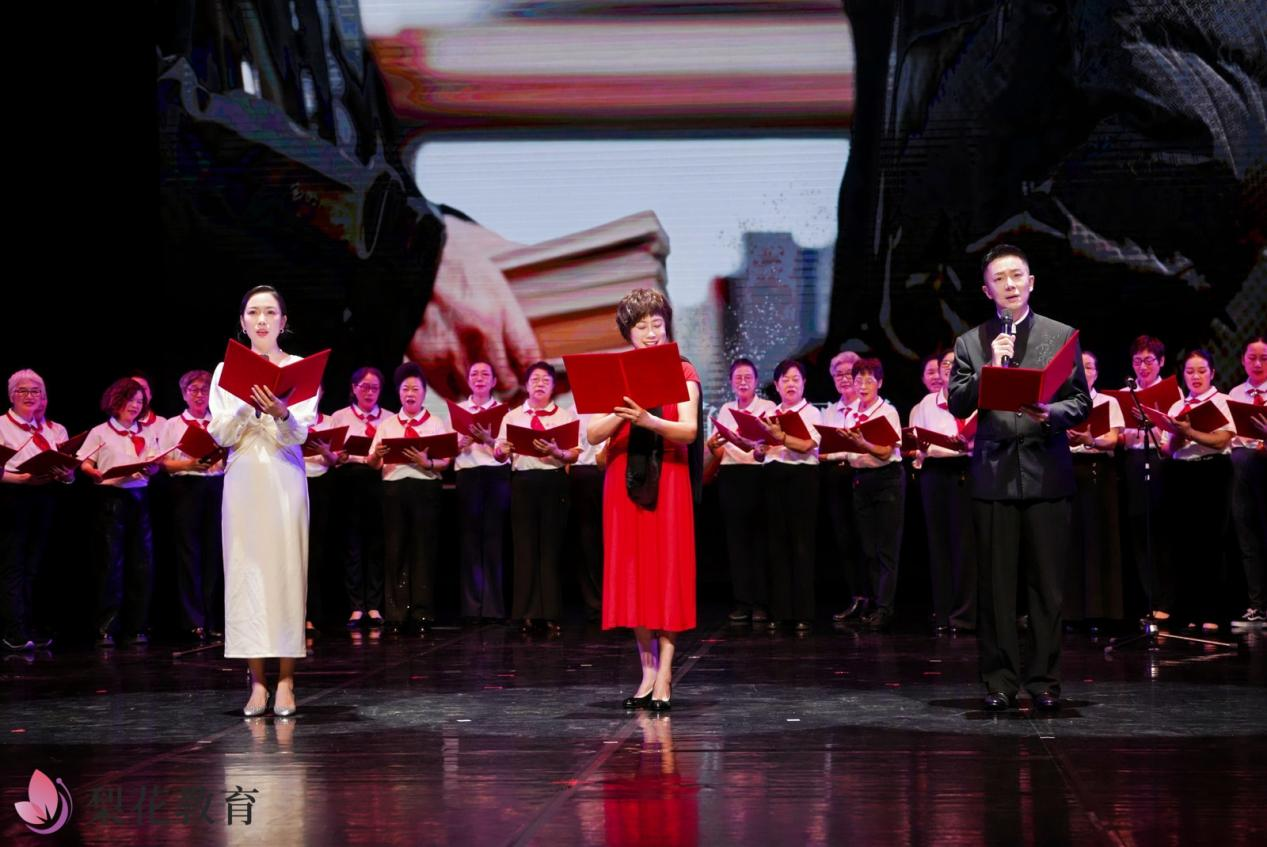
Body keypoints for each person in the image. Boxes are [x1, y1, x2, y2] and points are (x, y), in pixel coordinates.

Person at [946, 244, 1089, 712]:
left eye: (1016, 275)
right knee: (996, 586)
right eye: (999, 279)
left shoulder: (1060, 335)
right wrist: (990, 366)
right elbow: (958, 402)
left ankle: (1044, 681)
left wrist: (1051, 413)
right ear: (987, 290)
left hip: (1047, 471)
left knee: (1047, 586)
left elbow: (1081, 402)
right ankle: (1000, 682)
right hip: (994, 476)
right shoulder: (971, 342)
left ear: (1031, 282)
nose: (1009, 284)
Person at [588, 290, 700, 711]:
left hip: (668, 476)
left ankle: (666, 672)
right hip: (622, 480)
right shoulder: (616, 372)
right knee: (632, 573)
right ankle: (647, 672)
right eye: (641, 326)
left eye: (657, 324)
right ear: (628, 332)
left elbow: (688, 431)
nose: (651, 333)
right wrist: (622, 412)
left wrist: (649, 420)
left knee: (666, 570)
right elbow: (593, 434)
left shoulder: (682, 369)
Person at [209, 286, 318, 717]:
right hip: (244, 478)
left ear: (283, 321)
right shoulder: (225, 370)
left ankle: (286, 681)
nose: (261, 320)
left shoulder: (299, 368)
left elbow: (301, 431)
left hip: (283, 477)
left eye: (270, 312)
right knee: (246, 573)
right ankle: (256, 681)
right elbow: (219, 434)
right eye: (253, 312)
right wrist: (244, 407)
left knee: (287, 572)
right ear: (242, 321)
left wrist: (281, 412)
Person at [78, 378, 166, 649]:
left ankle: (136, 626)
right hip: (111, 499)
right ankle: (106, 627)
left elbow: (155, 463)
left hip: (139, 498)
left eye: (140, 401)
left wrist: (152, 468)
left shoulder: (146, 432)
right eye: (130, 400)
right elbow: (85, 462)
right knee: (111, 564)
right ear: (117, 401)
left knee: (142, 563)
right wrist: (93, 472)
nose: (135, 405)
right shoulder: (100, 432)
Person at [495, 362, 580, 634]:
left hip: (553, 482)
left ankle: (550, 613)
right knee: (524, 548)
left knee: (550, 549)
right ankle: (526, 613)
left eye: (545, 380)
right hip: (523, 483)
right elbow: (499, 453)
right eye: (534, 379)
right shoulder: (512, 416)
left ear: (554, 387)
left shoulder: (564, 416)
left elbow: (574, 454)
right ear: (526, 385)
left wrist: (557, 452)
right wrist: (502, 451)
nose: (540, 384)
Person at [369, 362, 451, 634]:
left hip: (425, 489)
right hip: (394, 490)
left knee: (423, 550)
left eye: (416, 389)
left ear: (424, 393)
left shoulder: (436, 423)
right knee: (396, 550)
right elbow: (372, 463)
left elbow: (445, 461)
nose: (410, 393)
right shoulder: (388, 424)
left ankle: (422, 613)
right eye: (405, 389)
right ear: (399, 393)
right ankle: (396, 614)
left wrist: (427, 463)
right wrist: (377, 454)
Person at [1160, 349, 1235, 630]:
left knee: (1211, 542)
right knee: (1183, 542)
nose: (1196, 376)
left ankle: (1212, 612)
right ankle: (1187, 611)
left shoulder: (1223, 401)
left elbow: (1221, 440)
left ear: (1212, 373)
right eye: (1190, 371)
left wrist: (1189, 432)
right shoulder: (1177, 406)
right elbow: (1167, 449)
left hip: (1213, 471)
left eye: (1202, 371)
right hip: (1182, 473)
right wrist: (1178, 435)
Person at [1, 370, 73, 651]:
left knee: (35, 566)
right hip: (12, 498)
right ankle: (12, 630)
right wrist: (19, 479)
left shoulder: (52, 430)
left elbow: (68, 470)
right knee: (13, 566)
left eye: (35, 391)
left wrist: (67, 475)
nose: (29, 396)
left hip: (45, 497)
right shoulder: (1, 425)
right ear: (11, 395)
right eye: (23, 390)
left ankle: (29, 625)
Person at [908, 350, 977, 633]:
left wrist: (968, 444)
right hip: (935, 473)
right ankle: (943, 613)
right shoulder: (927, 403)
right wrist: (921, 448)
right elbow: (916, 445)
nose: (949, 367)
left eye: (955, 363)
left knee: (965, 545)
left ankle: (965, 615)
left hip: (966, 470)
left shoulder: (976, 398)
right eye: (944, 364)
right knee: (938, 544)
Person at [705, 358, 776, 624]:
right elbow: (719, 450)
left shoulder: (767, 407)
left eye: (748, 377)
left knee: (759, 541)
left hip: (758, 475)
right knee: (737, 542)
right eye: (738, 378)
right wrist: (713, 446)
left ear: (756, 382)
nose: (743, 382)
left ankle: (761, 603)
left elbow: (772, 445)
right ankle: (742, 602)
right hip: (731, 476)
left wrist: (752, 445)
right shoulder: (726, 409)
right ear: (731, 383)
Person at [755, 359, 822, 632]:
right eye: (785, 380)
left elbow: (807, 446)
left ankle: (803, 613)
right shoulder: (770, 414)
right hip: (773, 477)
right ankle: (780, 612)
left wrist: (781, 436)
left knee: (802, 546)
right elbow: (761, 451)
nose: (790, 384)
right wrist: (759, 450)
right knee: (776, 546)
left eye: (795, 379)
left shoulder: (812, 412)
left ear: (804, 383)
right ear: (776, 385)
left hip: (802, 478)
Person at [159, 370, 226, 642]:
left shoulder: (219, 422)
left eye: (205, 390)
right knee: (189, 554)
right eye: (194, 390)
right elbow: (163, 462)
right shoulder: (172, 424)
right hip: (186, 487)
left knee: (214, 552)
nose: (199, 395)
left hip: (215, 486)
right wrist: (189, 463)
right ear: (184, 394)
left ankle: (213, 619)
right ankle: (193, 621)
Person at [839, 358, 905, 630]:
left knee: (886, 548)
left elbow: (885, 452)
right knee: (868, 548)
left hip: (886, 480)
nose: (863, 386)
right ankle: (875, 602)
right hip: (860, 480)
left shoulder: (887, 412)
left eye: (869, 381)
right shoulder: (850, 412)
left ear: (880, 383)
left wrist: (862, 443)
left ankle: (885, 608)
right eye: (858, 380)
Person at [1065, 351, 1125, 627]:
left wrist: (1090, 440)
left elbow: (1112, 439)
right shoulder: (1061, 403)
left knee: (1099, 540)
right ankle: (1071, 612)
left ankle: (1101, 611)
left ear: (1096, 373)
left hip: (1099, 471)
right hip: (1067, 470)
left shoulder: (1108, 402)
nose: (1083, 371)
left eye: (1089, 366)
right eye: (1078, 367)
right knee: (1070, 541)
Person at [452, 361, 511, 623]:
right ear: (467, 380)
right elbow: (446, 449)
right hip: (468, 475)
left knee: (494, 541)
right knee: (469, 541)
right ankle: (471, 607)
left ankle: (493, 608)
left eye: (485, 374)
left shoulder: (504, 412)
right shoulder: (458, 411)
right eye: (474, 374)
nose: (479, 378)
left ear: (494, 381)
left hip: (496, 475)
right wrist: (460, 443)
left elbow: (507, 451)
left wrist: (489, 440)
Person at [1119, 335, 1173, 620]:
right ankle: (1148, 600)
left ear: (1161, 362)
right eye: (1137, 361)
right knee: (1138, 530)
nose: (1143, 367)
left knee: (1162, 529)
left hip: (1162, 460)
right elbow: (1119, 435)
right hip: (1133, 461)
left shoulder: (1171, 392)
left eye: (1149, 360)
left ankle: (1166, 600)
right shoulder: (1124, 393)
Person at [330, 368, 387, 629]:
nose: (369, 392)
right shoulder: (339, 417)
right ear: (354, 388)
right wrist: (339, 456)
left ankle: (374, 606)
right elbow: (331, 455)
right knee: (352, 546)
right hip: (349, 482)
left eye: (374, 387)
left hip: (378, 482)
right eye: (364, 386)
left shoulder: (389, 418)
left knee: (376, 545)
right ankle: (356, 606)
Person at [820, 351, 868, 623]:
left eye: (849, 374)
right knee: (845, 540)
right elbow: (821, 451)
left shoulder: (868, 408)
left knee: (866, 540)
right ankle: (856, 597)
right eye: (838, 374)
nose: (844, 379)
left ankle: (874, 599)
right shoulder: (829, 412)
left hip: (862, 476)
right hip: (836, 478)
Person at [1227, 337, 1267, 626]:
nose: (1257, 363)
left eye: (1264, 358)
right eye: (1251, 358)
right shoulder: (1236, 393)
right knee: (1247, 536)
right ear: (1242, 361)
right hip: (1242, 467)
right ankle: (1257, 604)